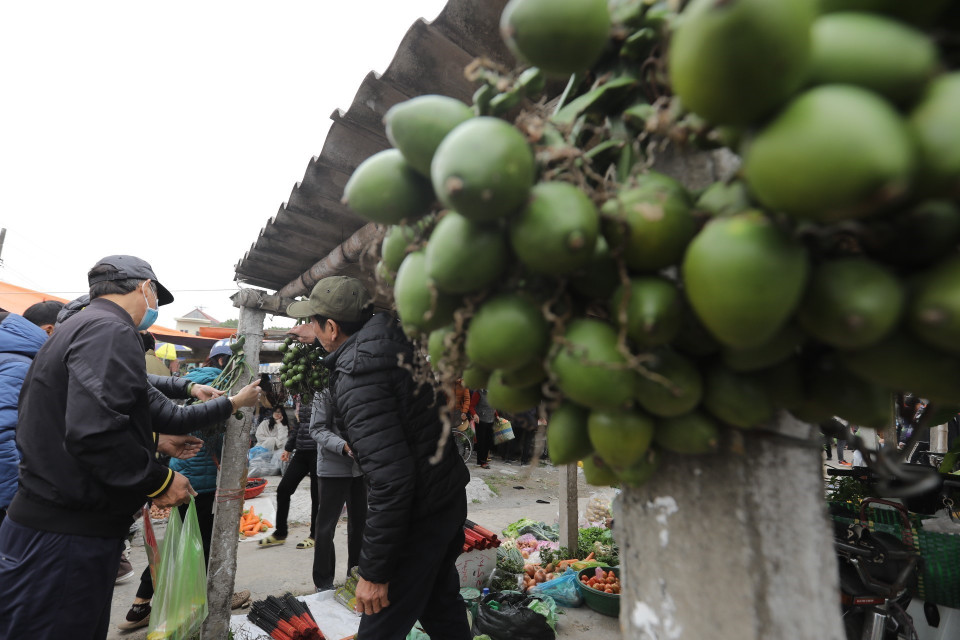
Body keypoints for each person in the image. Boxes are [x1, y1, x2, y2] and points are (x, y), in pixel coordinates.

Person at [0, 255, 198, 639]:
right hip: (66, 535)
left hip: (50, 523)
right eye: (156, 298)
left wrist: (154, 441)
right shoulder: (110, 330)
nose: (154, 307)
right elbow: (95, 433)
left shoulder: (78, 327)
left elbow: (76, 421)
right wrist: (158, 480)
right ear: (145, 288)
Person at [287, 275, 471, 639]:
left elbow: (392, 479)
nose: (311, 329)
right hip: (445, 497)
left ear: (332, 327)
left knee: (379, 624)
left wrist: (374, 573)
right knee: (440, 605)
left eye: (314, 322)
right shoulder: (392, 345)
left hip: (419, 514)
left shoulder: (358, 376)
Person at [120, 342, 261, 630]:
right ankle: (207, 600)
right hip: (203, 481)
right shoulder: (218, 386)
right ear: (222, 361)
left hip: (179, 474)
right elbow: (217, 436)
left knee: (186, 541)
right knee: (197, 544)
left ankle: (142, 604)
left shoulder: (188, 383)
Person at [0, 301, 63, 527]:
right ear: (49, 330)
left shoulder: (13, 355)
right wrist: (15, 502)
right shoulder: (19, 365)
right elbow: (2, 434)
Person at [308, 388, 367, 591]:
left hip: (360, 469)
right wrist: (344, 446)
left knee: (360, 526)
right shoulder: (325, 392)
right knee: (326, 527)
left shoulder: (363, 389)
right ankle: (323, 581)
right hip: (332, 469)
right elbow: (316, 429)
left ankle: (356, 575)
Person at [257, 398, 321, 551]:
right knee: (283, 489)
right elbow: (300, 425)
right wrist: (288, 447)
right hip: (301, 451)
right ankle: (280, 533)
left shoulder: (325, 393)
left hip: (318, 451)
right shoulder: (304, 398)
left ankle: (315, 535)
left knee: (316, 495)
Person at [469, 388, 496, 469]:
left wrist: (496, 415)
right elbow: (471, 406)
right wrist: (474, 414)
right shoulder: (478, 392)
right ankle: (482, 461)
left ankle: (482, 460)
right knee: (482, 441)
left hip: (491, 419)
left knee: (489, 440)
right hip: (481, 419)